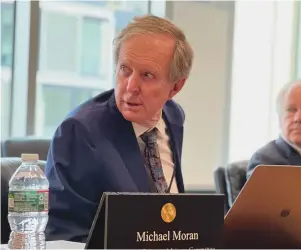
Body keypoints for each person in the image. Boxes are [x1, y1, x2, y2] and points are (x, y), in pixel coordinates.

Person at [45, 15, 194, 242]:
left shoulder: (173, 117)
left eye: (147, 75)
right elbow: (64, 235)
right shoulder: (80, 131)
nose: (131, 86)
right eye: (125, 70)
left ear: (176, 86)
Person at [247, 79, 301, 234]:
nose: (298, 118)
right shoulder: (267, 161)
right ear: (279, 117)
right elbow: (288, 223)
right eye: (291, 110)